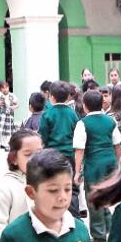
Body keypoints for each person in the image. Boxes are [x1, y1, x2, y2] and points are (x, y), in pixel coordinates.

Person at [74, 90, 121, 242]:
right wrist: (117, 164)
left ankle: (99, 236)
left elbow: (79, 150)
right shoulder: (110, 121)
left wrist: (77, 171)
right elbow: (117, 145)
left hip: (94, 164)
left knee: (93, 198)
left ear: (85, 106)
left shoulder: (83, 124)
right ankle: (109, 226)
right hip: (110, 162)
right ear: (102, 104)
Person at [39, 81, 82, 215]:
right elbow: (77, 134)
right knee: (71, 186)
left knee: (52, 184)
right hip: (70, 155)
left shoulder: (47, 114)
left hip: (52, 155)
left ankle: (54, 213)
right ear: (68, 97)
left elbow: (43, 136)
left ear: (51, 97)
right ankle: (74, 216)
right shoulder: (73, 114)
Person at [0, 80, 19, 150]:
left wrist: (13, 107)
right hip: (1, 115)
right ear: (0, 89)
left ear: (8, 87)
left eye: (6, 87)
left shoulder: (12, 95)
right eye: (3, 88)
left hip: (9, 115)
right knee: (0, 130)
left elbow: (17, 104)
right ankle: (0, 143)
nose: (5, 89)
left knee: (8, 130)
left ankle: (7, 144)